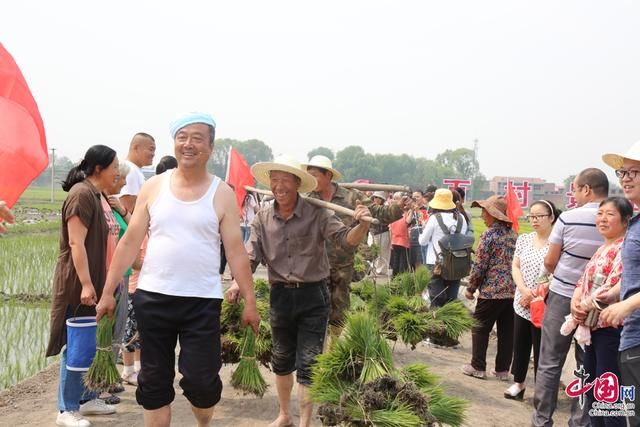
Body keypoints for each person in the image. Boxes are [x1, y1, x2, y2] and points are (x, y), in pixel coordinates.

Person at [96, 112, 260, 427]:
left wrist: (250, 302)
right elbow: (129, 243)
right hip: (153, 298)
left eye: (197, 138)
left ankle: (203, 421)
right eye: (182, 137)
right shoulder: (154, 187)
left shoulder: (221, 193)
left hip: (201, 302)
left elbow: (236, 252)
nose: (188, 144)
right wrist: (107, 292)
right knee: (154, 384)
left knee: (201, 383)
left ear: (211, 147)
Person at [228, 155, 372, 427]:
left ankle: (304, 422)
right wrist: (237, 282)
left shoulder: (317, 213)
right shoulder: (262, 217)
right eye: (275, 180)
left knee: (308, 363)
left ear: (297, 184)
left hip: (313, 296)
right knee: (281, 360)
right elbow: (251, 256)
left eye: (285, 180)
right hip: (280, 296)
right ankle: (284, 415)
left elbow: (345, 241)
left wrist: (361, 225)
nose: (279, 186)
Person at [46, 145, 120, 427]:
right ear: (99, 168)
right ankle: (66, 408)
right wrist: (87, 284)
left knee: (91, 342)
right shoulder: (81, 194)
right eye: (114, 166)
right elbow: (76, 242)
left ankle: (88, 398)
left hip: (98, 283)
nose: (117, 172)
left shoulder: (97, 194)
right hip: (78, 285)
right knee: (75, 345)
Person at [532, 168, 609, 427]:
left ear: (587, 189)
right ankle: (580, 422)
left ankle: (542, 420)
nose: (574, 195)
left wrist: (567, 277)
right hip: (599, 303)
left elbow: (551, 261)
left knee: (550, 361)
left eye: (575, 189)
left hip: (563, 295)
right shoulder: (617, 219)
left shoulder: (569, 218)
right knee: (586, 364)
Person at [303, 155, 403, 332]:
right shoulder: (307, 199)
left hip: (343, 263)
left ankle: (333, 348)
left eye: (315, 175)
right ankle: (317, 346)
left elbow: (381, 215)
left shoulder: (351, 197)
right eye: (308, 175)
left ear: (329, 176)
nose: (312, 180)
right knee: (315, 308)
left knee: (339, 308)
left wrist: (398, 206)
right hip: (315, 264)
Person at [567, 197, 631, 427]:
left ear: (625, 220)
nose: (603, 219)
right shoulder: (603, 247)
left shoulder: (624, 248)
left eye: (610, 214)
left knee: (607, 393)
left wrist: (584, 305)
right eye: (600, 213)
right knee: (593, 389)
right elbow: (582, 283)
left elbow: (614, 285)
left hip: (610, 328)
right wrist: (576, 301)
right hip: (593, 327)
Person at [600, 142, 640, 427]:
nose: (625, 178)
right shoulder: (636, 223)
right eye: (621, 172)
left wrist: (628, 303)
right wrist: (610, 294)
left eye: (633, 172)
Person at [504, 199, 560, 400]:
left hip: (543, 302)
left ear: (551, 218)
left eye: (539, 216)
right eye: (531, 216)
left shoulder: (557, 243)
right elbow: (515, 266)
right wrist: (523, 290)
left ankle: (542, 391)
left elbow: (555, 273)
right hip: (522, 300)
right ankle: (518, 383)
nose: (534, 220)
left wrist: (536, 292)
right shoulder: (525, 239)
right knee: (519, 343)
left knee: (541, 348)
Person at [462, 195, 517, 380]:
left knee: (479, 328)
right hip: (511, 292)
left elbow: (480, 265)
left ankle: (477, 366)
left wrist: (470, 288)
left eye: (484, 212)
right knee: (506, 332)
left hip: (491, 292)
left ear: (493, 215)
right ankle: (502, 370)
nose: (482, 216)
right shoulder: (513, 235)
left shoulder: (489, 235)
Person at [418, 189, 468, 308]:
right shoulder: (461, 218)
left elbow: (422, 241)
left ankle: (436, 324)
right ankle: (449, 323)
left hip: (436, 265)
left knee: (436, 299)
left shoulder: (434, 218)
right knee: (451, 299)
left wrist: (424, 229)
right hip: (456, 263)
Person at [119, 132, 156, 213]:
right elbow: (127, 208)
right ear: (136, 148)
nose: (153, 154)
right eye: (151, 149)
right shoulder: (130, 171)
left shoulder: (135, 170)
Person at [389, 192, 413, 277]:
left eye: (397, 199)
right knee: (398, 263)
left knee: (400, 263)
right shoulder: (394, 211)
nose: (395, 201)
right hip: (397, 241)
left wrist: (412, 210)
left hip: (402, 241)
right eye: (394, 198)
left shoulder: (405, 211)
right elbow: (390, 228)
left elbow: (407, 222)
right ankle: (396, 281)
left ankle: (397, 281)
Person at [369, 191, 392, 276]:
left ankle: (381, 270)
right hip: (372, 232)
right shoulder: (370, 207)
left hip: (383, 232)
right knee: (372, 251)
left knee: (383, 252)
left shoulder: (385, 208)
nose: (377, 199)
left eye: (379, 198)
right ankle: (372, 268)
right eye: (375, 197)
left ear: (382, 199)